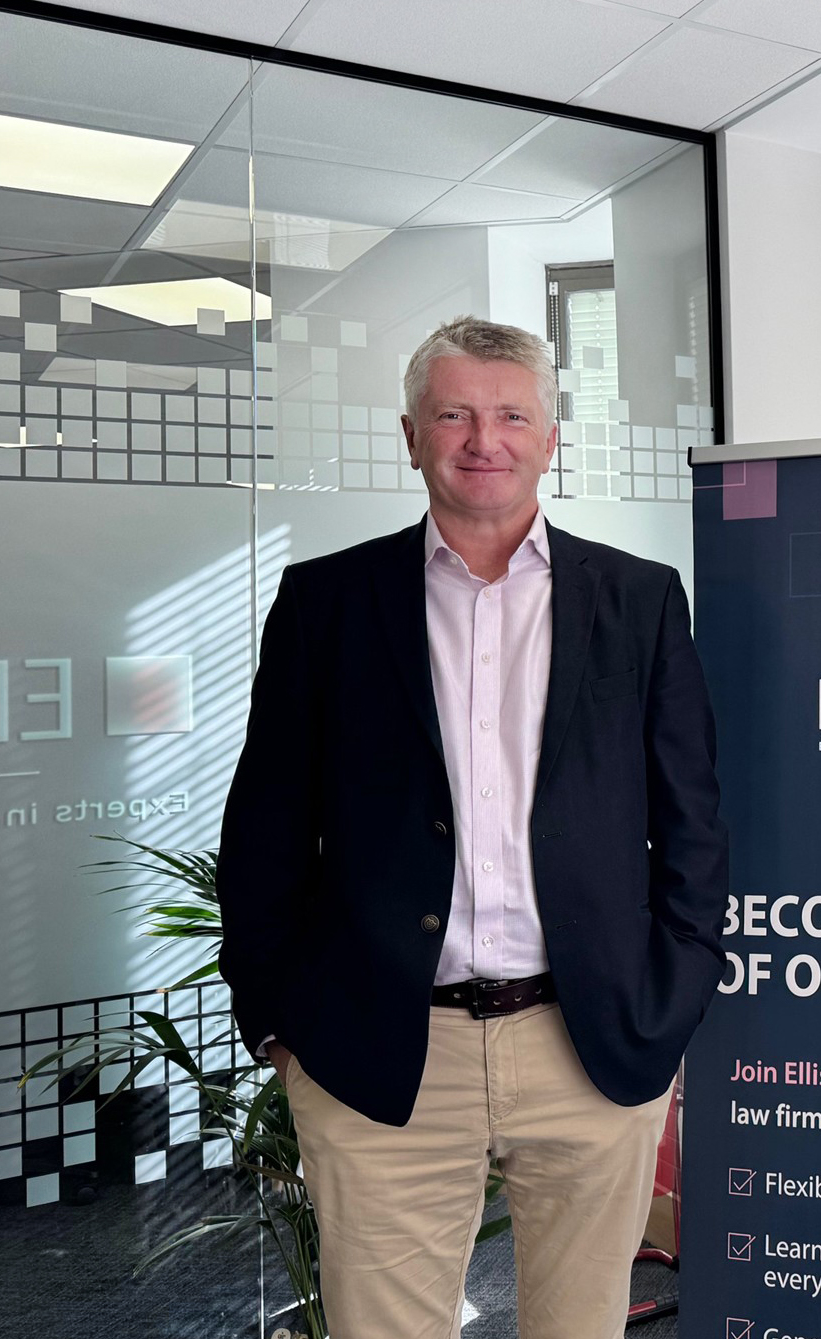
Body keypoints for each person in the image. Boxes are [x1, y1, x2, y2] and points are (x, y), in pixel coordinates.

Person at [217, 315, 730, 1339]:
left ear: (550, 439)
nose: (481, 439)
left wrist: (670, 998)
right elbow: (266, 826)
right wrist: (280, 1024)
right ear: (412, 435)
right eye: (453, 414)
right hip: (380, 1047)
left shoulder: (637, 600)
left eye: (509, 416)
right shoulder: (327, 603)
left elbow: (692, 821)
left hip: (588, 1044)